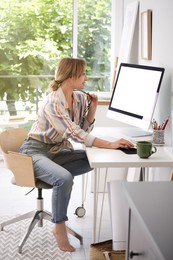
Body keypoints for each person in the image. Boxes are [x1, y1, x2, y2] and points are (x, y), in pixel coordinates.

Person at [19, 57, 134, 252]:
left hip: (57, 152)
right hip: (35, 151)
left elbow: (83, 130)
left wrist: (93, 111)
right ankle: (59, 226)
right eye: (83, 73)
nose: (86, 78)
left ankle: (56, 181)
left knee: (93, 160)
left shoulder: (79, 98)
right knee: (63, 178)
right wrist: (110, 144)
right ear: (71, 76)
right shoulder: (53, 102)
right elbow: (75, 134)